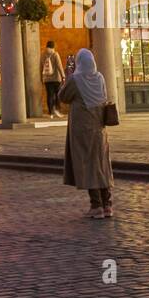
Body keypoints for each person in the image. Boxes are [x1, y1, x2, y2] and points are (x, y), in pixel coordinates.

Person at [58, 48, 114, 219]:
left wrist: (68, 76)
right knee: (102, 164)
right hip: (99, 128)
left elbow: (63, 96)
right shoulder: (100, 77)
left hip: (82, 128)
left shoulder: (76, 79)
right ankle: (107, 205)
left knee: (88, 165)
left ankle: (96, 205)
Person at [41, 39, 65, 118]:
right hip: (56, 78)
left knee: (49, 95)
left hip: (47, 79)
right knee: (57, 94)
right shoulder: (55, 54)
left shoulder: (43, 55)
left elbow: (40, 67)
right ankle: (57, 110)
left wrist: (41, 77)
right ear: (53, 46)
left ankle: (50, 112)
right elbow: (59, 65)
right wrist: (63, 75)